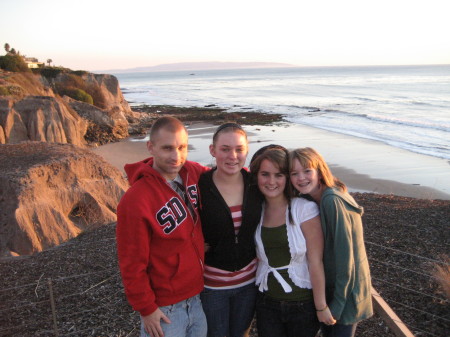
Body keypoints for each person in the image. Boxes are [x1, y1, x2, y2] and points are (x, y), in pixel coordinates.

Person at [116, 116, 208, 337]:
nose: (176, 156)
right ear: (151, 147)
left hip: (197, 299)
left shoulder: (192, 173)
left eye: (182, 147)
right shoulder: (136, 200)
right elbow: (131, 262)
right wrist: (146, 309)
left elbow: (227, 175)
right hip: (165, 309)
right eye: (168, 148)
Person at [249, 145, 335, 337]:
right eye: (265, 174)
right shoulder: (256, 210)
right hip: (266, 303)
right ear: (256, 176)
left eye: (279, 175)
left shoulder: (304, 210)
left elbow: (315, 261)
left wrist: (321, 306)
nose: (271, 181)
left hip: (302, 305)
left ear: (287, 178)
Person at [289, 147, 373, 337]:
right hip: (336, 293)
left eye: (307, 171)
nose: (301, 178)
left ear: (319, 171)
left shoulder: (331, 201)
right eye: (295, 173)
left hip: (345, 297)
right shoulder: (316, 198)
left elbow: (347, 262)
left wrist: (336, 307)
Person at [198, 122, 263, 337]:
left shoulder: (256, 185)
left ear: (247, 150)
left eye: (239, 149)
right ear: (212, 150)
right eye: (225, 149)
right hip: (212, 286)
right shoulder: (199, 186)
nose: (232, 156)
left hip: (249, 283)